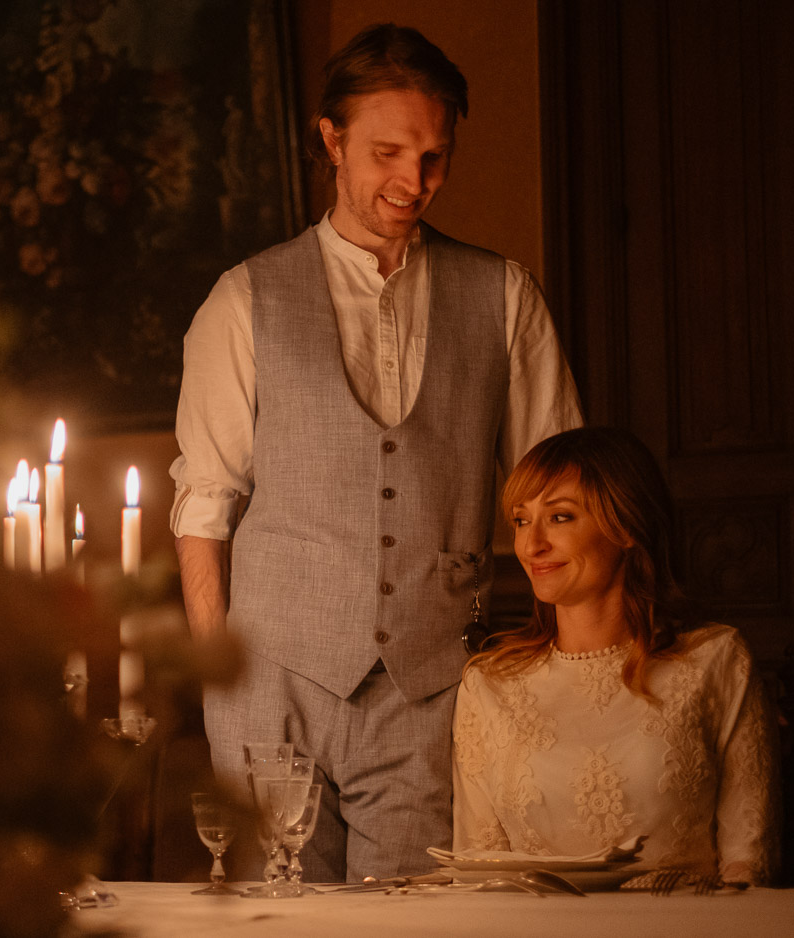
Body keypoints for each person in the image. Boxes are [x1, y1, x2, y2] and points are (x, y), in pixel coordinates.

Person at [171, 23, 582, 881]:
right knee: (274, 928)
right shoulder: (243, 300)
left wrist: (565, 668)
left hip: (430, 691)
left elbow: (560, 495)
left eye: (434, 157)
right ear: (331, 140)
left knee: (415, 923)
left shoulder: (504, 296)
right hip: (269, 690)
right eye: (388, 153)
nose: (412, 182)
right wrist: (220, 687)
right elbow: (204, 507)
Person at [452, 427, 777, 884]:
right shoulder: (489, 684)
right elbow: (478, 874)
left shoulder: (715, 661)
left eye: (559, 517)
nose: (531, 545)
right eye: (521, 520)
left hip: (689, 922)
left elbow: (747, 864)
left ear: (625, 526)